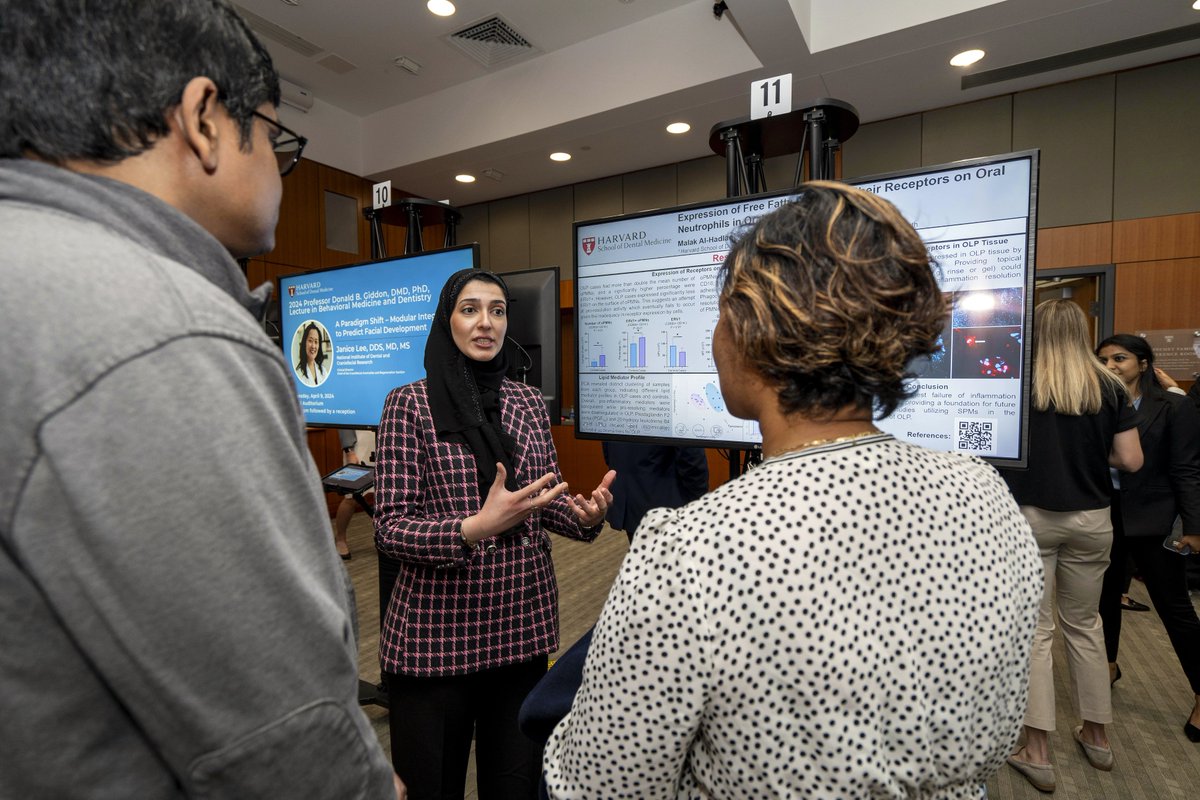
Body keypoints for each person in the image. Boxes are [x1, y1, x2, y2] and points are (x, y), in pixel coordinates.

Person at [0, 2, 403, 798]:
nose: (279, 175)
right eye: (278, 140)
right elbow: (280, 738)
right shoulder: (163, 331)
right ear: (205, 119)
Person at [543, 182, 1043, 799]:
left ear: (751, 331)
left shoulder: (691, 549)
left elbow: (600, 787)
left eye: (722, 312)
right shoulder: (986, 495)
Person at [373, 268, 616, 800]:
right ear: (447, 320)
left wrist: (583, 517)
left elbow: (536, 504)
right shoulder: (408, 405)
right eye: (470, 309)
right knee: (432, 785)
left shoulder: (527, 403)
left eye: (498, 310)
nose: (486, 323)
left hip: (519, 631)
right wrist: (472, 529)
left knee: (516, 784)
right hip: (435, 639)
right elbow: (390, 528)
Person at [998, 300, 1143, 791]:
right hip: (1092, 518)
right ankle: (1097, 737)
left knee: (1036, 633)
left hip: (1030, 518)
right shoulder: (1110, 386)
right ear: (1083, 332)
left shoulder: (1018, 384)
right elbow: (1131, 459)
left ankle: (1037, 751)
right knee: (1085, 624)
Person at [1095, 334, 1200, 743]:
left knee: (1174, 607)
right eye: (1102, 359)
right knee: (1104, 599)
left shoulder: (1174, 406)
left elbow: (1188, 469)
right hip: (1106, 514)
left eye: (1119, 358)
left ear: (1143, 363)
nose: (1110, 366)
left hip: (1155, 520)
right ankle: (1107, 665)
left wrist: (1194, 527)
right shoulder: (1098, 405)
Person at [601, 441, 709, 542]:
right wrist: (700, 501)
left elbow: (607, 451)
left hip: (630, 499)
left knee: (643, 556)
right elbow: (691, 457)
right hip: (667, 505)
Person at [334, 428, 376, 559]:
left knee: (382, 496)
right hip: (358, 446)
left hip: (380, 441)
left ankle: (383, 538)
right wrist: (348, 451)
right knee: (351, 497)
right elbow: (344, 424)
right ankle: (340, 539)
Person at [296, 320, 330, 386]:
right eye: (310, 341)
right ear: (304, 343)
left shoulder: (323, 371)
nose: (313, 346)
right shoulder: (298, 373)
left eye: (316, 342)